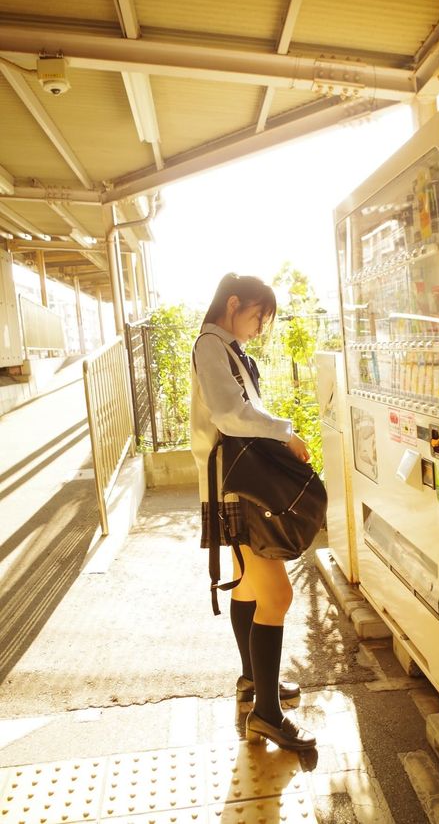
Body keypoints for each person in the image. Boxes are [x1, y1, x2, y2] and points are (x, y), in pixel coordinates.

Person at [190, 272, 316, 751]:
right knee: (278, 596)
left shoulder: (224, 347)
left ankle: (253, 684)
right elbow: (228, 413)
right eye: (259, 315)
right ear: (234, 303)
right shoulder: (211, 345)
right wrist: (285, 431)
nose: (261, 326)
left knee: (248, 585)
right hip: (238, 488)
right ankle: (266, 713)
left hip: (234, 485)